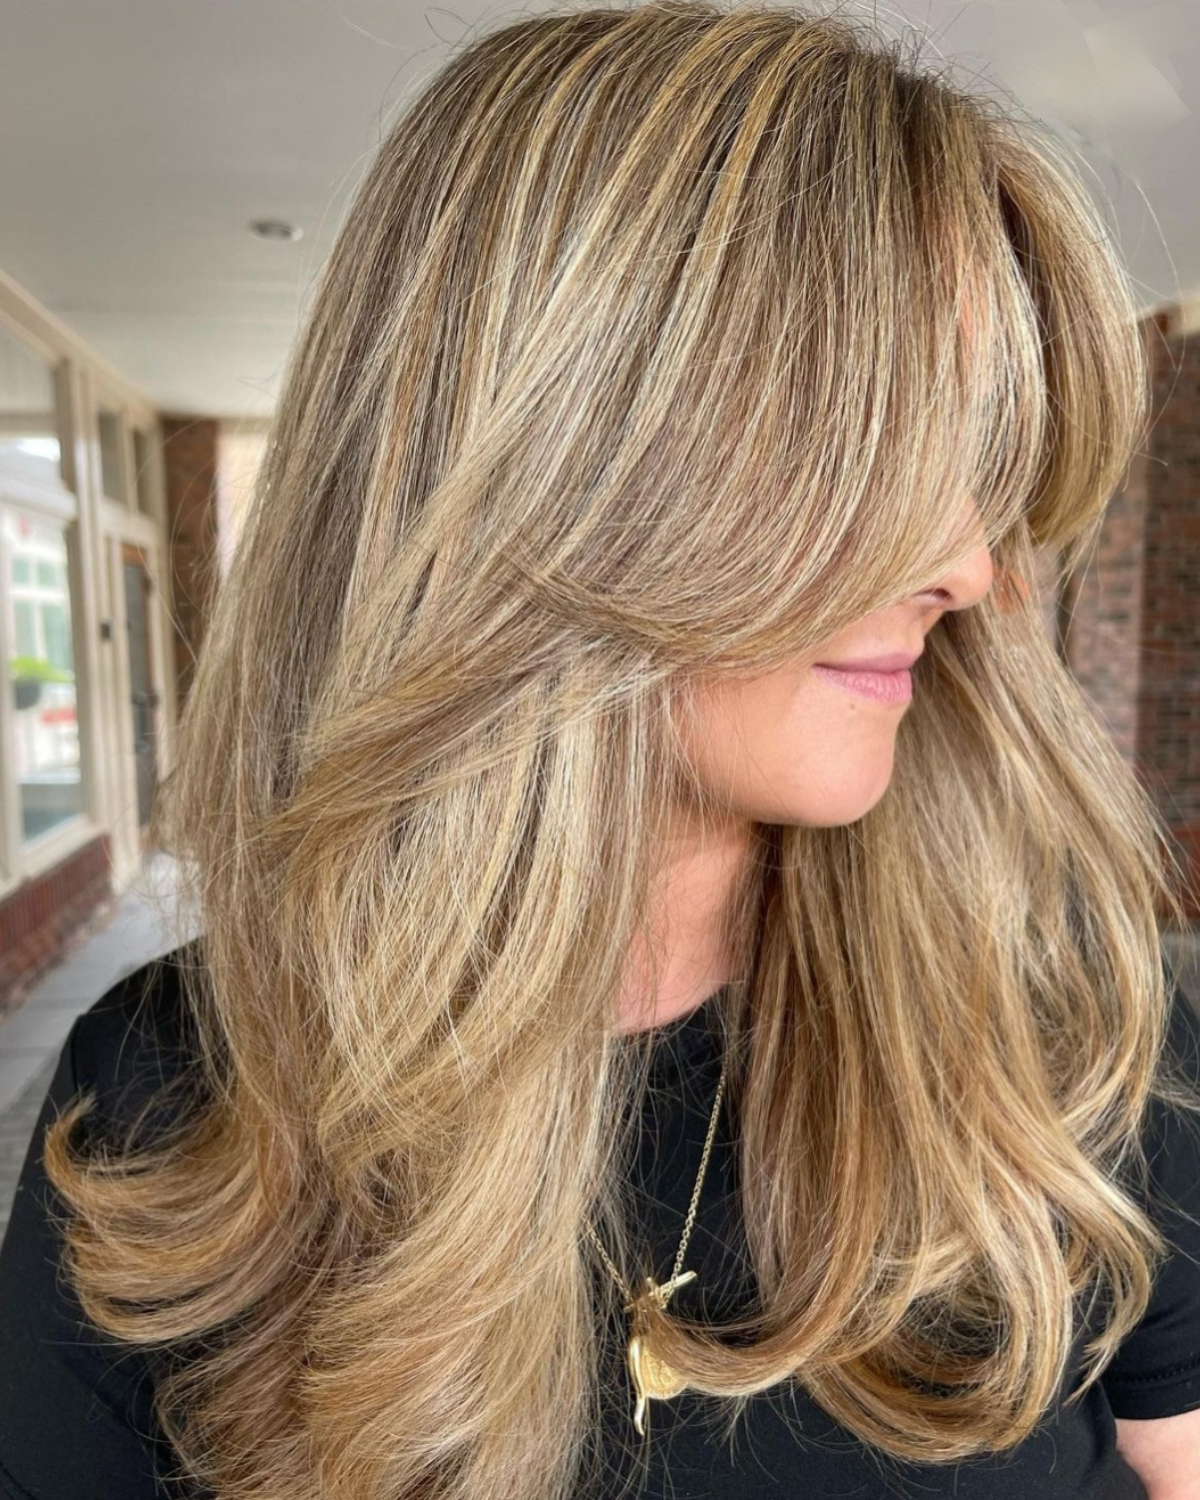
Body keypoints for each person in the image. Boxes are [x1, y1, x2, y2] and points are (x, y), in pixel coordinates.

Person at [3, 3, 1200, 1497]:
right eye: (878, 452)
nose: (980, 569)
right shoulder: (173, 1106)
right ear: (560, 455)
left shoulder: (1076, 1033)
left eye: (981, 461)